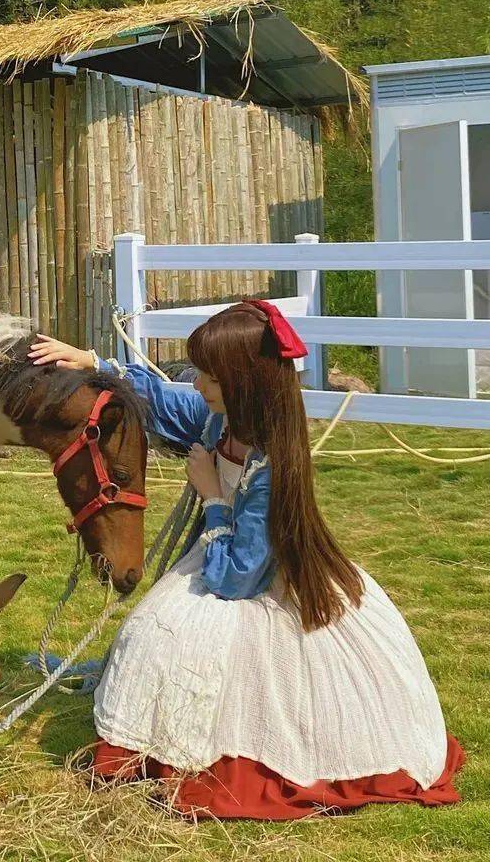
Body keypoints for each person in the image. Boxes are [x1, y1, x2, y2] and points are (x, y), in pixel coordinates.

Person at [28, 301, 464, 820]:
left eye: (208, 375)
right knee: (154, 635)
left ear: (239, 383)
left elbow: (238, 578)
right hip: (225, 557)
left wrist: (212, 495)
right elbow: (162, 398)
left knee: (177, 639)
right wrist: (92, 362)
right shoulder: (221, 420)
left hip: (252, 576)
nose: (197, 382)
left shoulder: (271, 464)